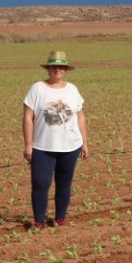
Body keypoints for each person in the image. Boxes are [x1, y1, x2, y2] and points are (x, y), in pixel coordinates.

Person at [22, 51, 88, 229]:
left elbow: (80, 117)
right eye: (54, 66)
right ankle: (39, 220)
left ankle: (60, 217)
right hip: (42, 146)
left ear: (65, 69)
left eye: (61, 67)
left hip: (70, 146)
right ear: (48, 68)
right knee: (40, 183)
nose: (57, 69)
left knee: (64, 182)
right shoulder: (37, 88)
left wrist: (85, 143)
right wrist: (28, 145)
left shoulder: (72, 89)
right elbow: (28, 117)